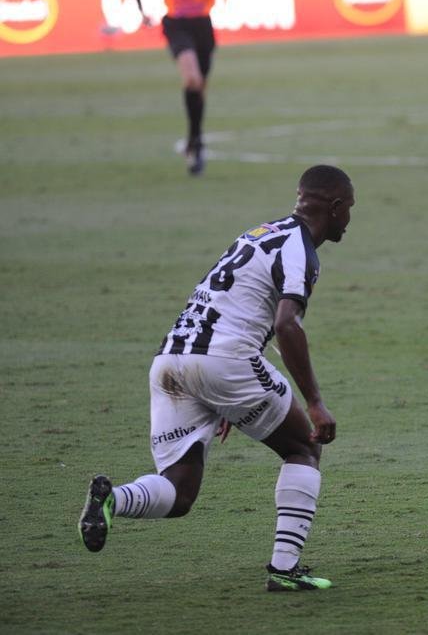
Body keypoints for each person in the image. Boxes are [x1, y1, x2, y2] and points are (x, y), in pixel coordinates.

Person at [78, 165, 355, 592]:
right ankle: (284, 570)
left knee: (179, 493)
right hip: (226, 361)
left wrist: (225, 396)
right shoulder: (299, 249)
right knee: (304, 447)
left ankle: (114, 498)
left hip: (171, 361)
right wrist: (315, 402)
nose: (350, 218)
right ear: (334, 207)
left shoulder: (258, 234)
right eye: (349, 208)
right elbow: (286, 324)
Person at [131, 0, 238, 174]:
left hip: (202, 23)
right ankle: (197, 143)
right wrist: (142, 11)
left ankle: (194, 138)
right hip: (176, 23)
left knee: (199, 87)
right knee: (191, 79)